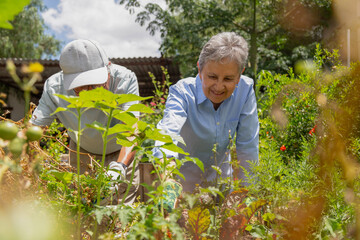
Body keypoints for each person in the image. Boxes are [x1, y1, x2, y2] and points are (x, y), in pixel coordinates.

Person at [30, 39, 139, 204]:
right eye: (80, 87)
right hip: (82, 153)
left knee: (121, 214)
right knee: (83, 210)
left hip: (121, 154)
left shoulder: (125, 79)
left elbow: (131, 130)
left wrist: (119, 168)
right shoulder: (54, 87)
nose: (89, 92)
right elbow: (34, 129)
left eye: (95, 85)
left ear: (108, 67)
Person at [153, 32, 259, 194]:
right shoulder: (182, 92)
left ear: (239, 75)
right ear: (200, 70)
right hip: (183, 189)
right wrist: (168, 181)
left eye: (228, 79)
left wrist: (248, 196)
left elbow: (248, 147)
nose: (219, 86)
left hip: (220, 187)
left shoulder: (245, 92)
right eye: (212, 76)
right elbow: (167, 135)